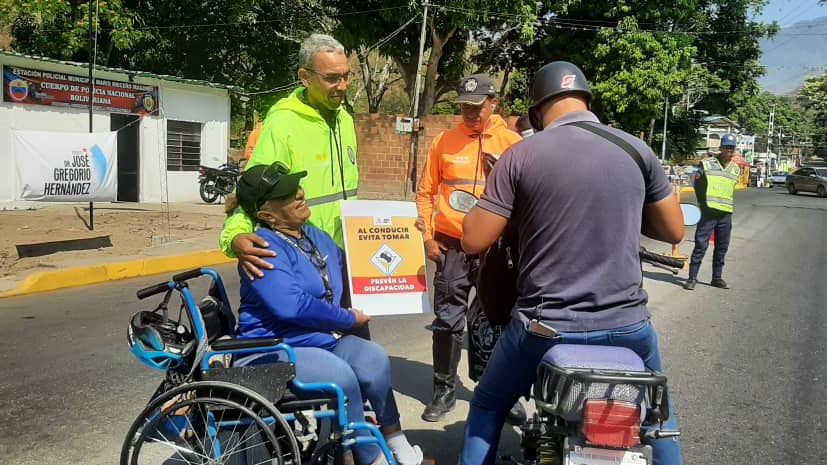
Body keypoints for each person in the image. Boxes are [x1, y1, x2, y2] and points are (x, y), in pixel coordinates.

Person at [458, 61, 685, 465]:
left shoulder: (520, 156)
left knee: (488, 406)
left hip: (544, 328)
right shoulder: (637, 150)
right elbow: (673, 231)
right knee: (655, 417)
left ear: (534, 111)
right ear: (587, 100)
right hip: (628, 326)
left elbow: (474, 240)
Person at [231, 163, 426, 465]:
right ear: (267, 215)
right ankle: (371, 458)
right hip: (274, 348)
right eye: (288, 195)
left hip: (319, 340)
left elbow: (356, 265)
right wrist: (349, 319)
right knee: (341, 377)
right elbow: (292, 305)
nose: (300, 194)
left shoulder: (311, 235)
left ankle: (395, 439)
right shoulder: (263, 248)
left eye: (296, 186)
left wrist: (406, 239)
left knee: (373, 358)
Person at [415, 73, 522, 422]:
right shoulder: (444, 141)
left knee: (498, 320)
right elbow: (426, 192)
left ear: (494, 103)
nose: (471, 113)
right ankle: (443, 390)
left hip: (496, 248)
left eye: (477, 107)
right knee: (447, 319)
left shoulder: (513, 143)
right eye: (464, 107)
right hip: (452, 247)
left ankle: (498, 391)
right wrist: (429, 238)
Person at [221, 33, 359, 281]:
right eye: (331, 78)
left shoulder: (345, 121)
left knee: (355, 320)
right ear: (305, 77)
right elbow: (253, 190)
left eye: (346, 76)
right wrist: (235, 235)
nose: (342, 86)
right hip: (304, 259)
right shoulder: (283, 123)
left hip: (346, 257)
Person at [684, 134, 740, 291]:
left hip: (725, 214)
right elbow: (697, 183)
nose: (729, 150)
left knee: (722, 247)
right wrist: (703, 202)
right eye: (727, 147)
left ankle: (717, 277)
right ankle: (692, 278)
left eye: (732, 148)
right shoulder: (707, 164)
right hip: (709, 212)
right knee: (701, 245)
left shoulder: (736, 168)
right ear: (721, 148)